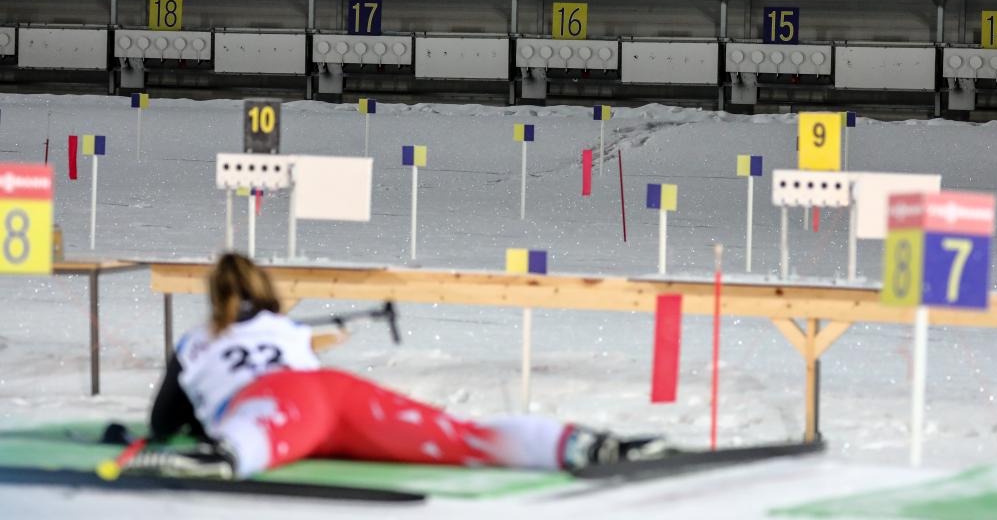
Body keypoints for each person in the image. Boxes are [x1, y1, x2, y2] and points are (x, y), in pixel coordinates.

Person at [127, 252, 667, 479]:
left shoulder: (196, 342)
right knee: (461, 437)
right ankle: (583, 445)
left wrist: (194, 429)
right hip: (334, 393)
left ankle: (224, 458)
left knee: (261, 434)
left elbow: (161, 424)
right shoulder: (285, 328)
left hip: (278, 403)